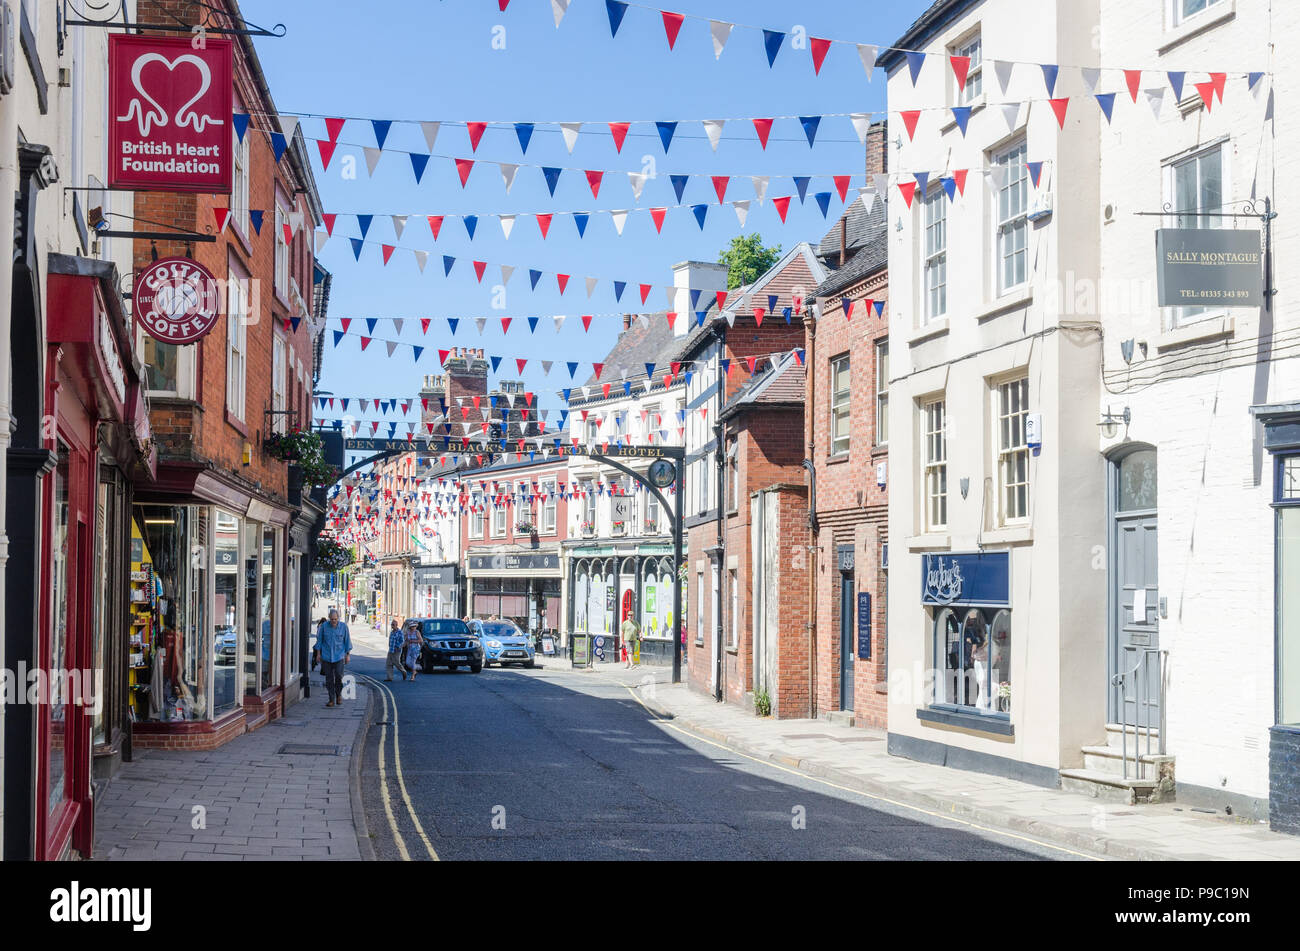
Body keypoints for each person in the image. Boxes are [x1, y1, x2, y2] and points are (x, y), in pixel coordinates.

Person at [315, 608, 352, 707]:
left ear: (338, 618)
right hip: (326, 657)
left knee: (339, 676)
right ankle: (331, 699)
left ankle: (338, 694)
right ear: (329, 618)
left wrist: (348, 655)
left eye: (335, 619)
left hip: (339, 656)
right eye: (332, 619)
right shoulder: (324, 627)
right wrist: (318, 654)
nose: (333, 621)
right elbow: (319, 641)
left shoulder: (343, 627)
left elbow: (347, 641)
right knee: (329, 679)